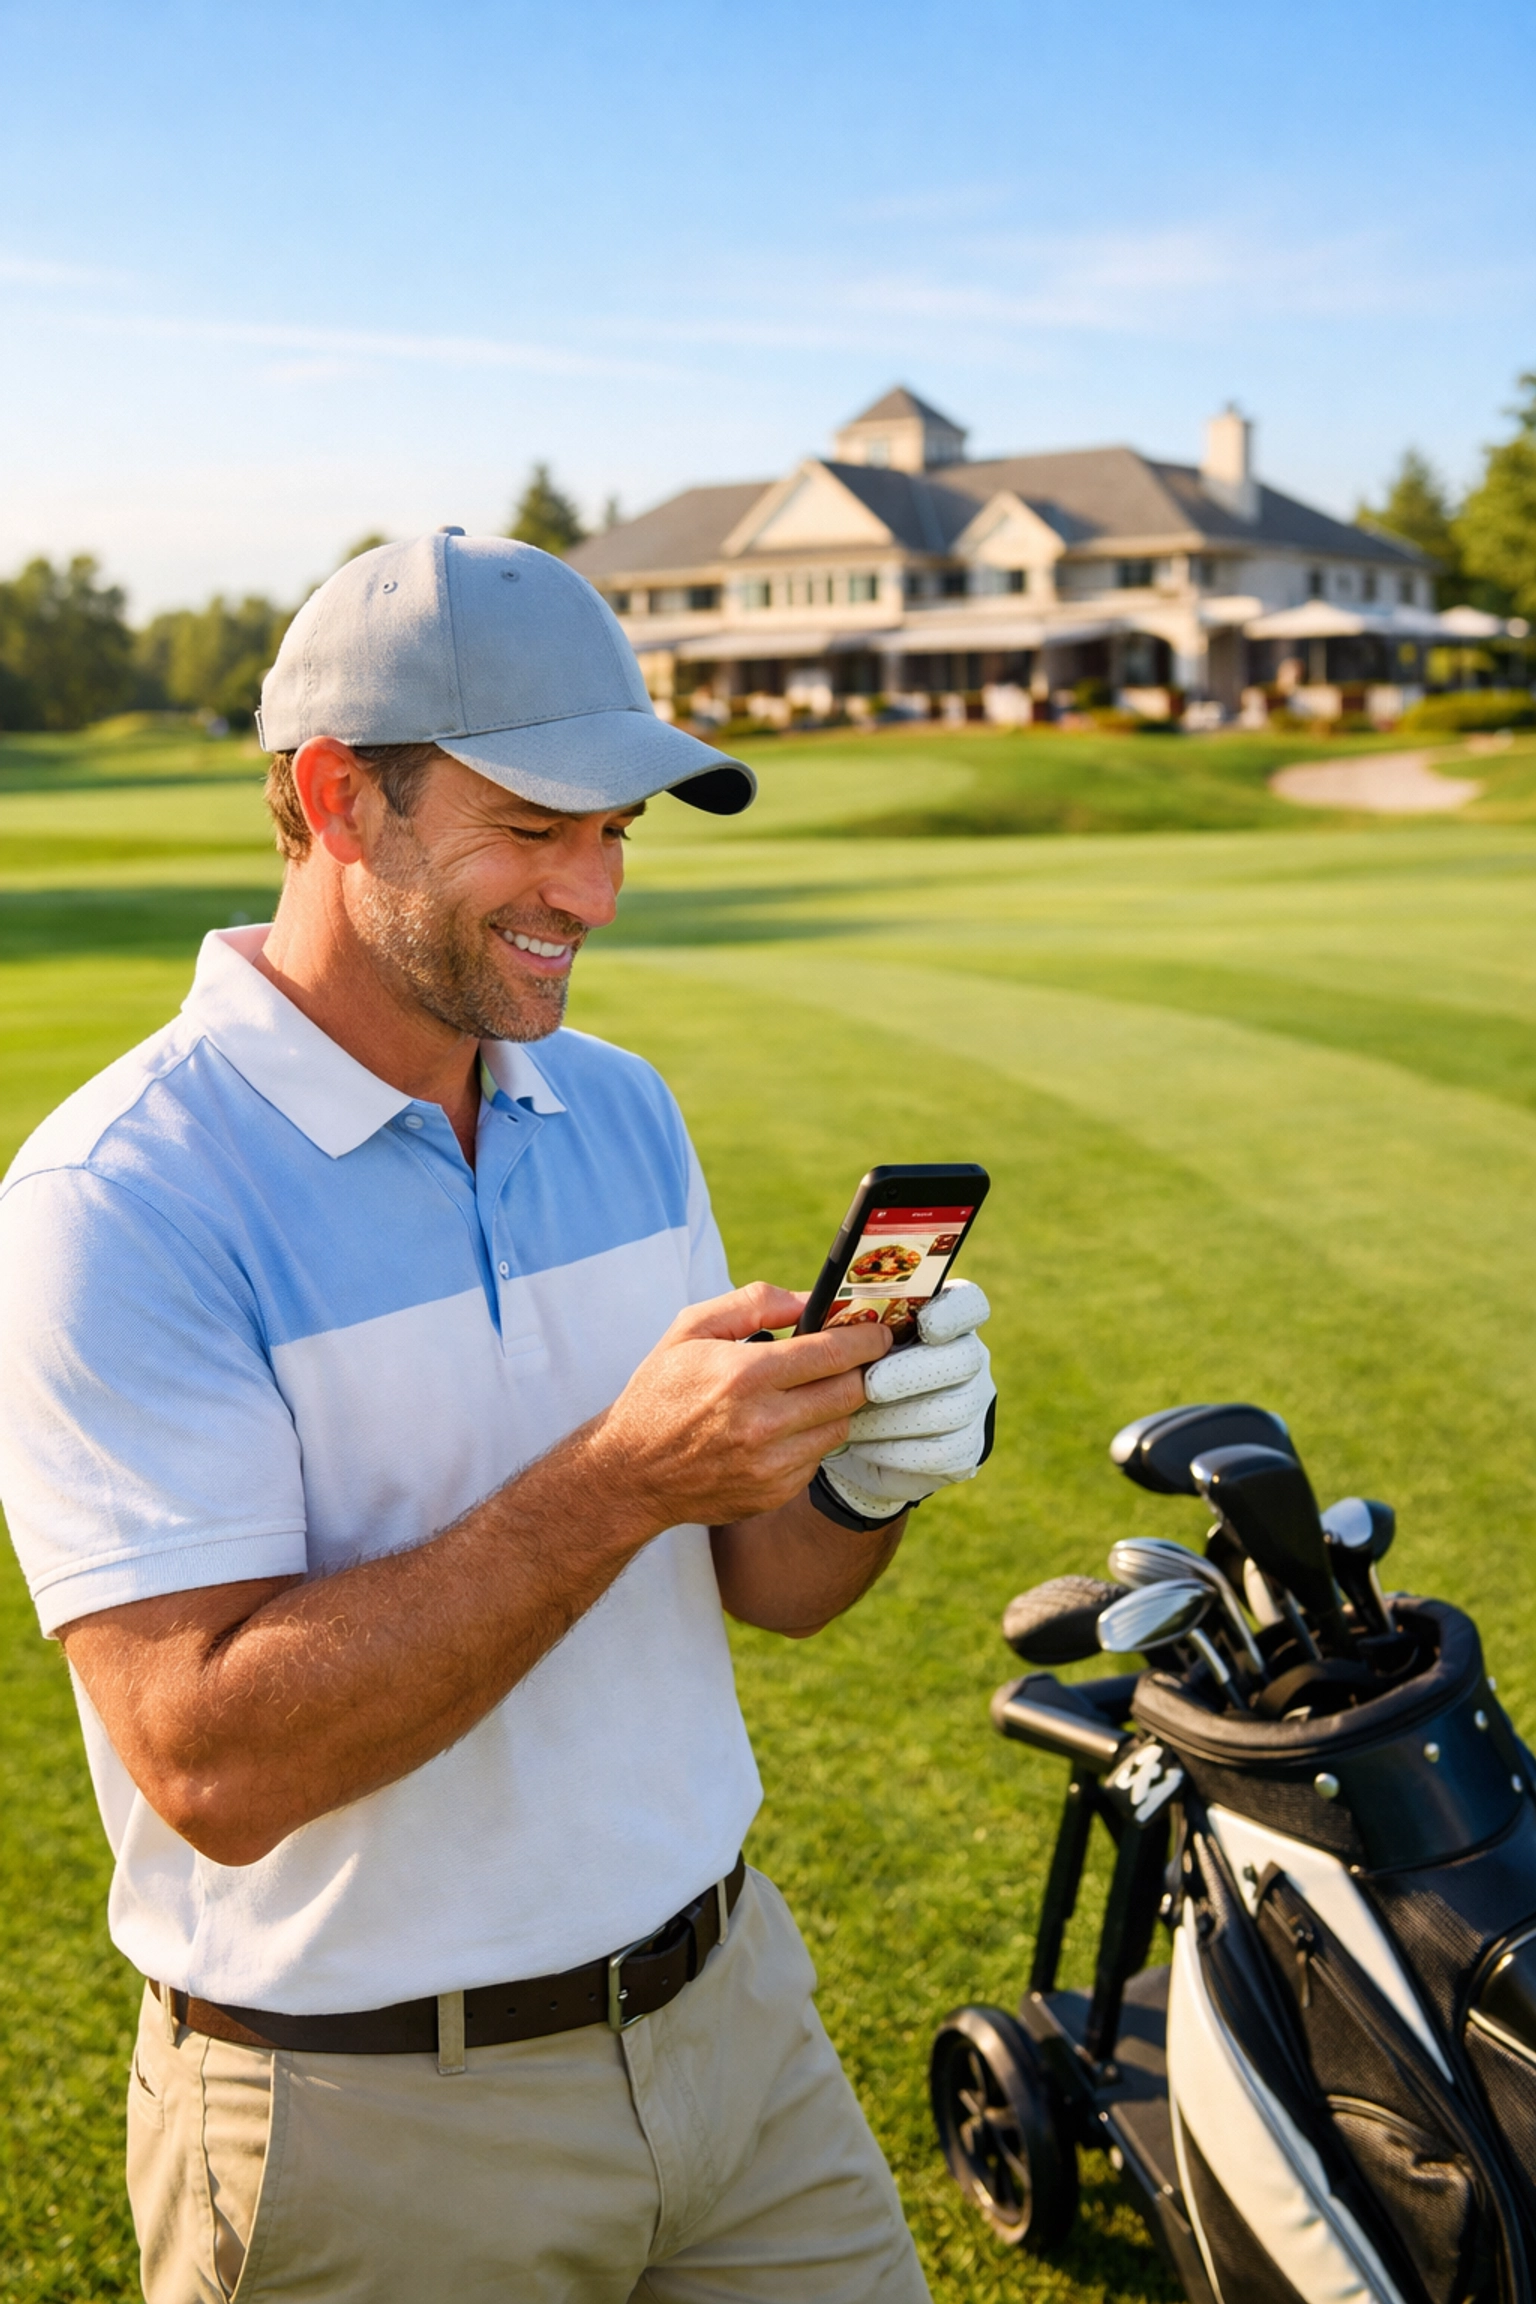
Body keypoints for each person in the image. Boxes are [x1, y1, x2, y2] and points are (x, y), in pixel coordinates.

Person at [0, 530, 996, 2304]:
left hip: (738, 2036)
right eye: (533, 829)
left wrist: (856, 1472)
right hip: (368, 2127)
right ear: (335, 800)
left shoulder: (619, 1108)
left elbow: (760, 1585)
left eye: (614, 831)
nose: (594, 892)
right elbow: (213, 1764)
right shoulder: (118, 1196)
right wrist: (619, 1481)